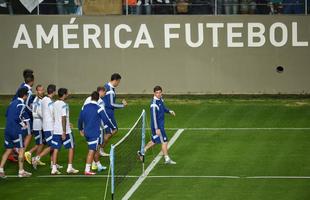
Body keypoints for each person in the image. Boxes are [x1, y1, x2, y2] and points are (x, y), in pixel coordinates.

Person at [79, 91, 117, 175]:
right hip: (94, 133)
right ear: (98, 98)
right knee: (92, 150)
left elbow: (80, 119)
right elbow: (106, 119)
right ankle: (87, 169)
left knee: (97, 148)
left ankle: (99, 165)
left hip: (87, 132)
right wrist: (113, 127)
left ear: (91, 97)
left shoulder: (84, 107)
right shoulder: (99, 108)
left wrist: (80, 129)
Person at [138, 86, 176, 164]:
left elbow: (163, 108)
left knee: (154, 141)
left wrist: (169, 111)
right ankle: (167, 159)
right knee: (165, 141)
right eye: (157, 93)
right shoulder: (154, 104)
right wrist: (157, 128)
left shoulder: (160, 99)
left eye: (159, 92)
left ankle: (142, 152)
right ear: (154, 93)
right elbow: (154, 117)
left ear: (161, 92)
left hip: (158, 126)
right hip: (158, 127)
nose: (158, 94)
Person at [0, 88, 32, 178]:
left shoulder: (12, 103)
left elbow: (6, 114)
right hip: (16, 131)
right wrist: (24, 125)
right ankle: (21, 171)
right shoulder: (21, 105)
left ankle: (1, 169)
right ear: (25, 96)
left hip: (8, 130)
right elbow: (17, 117)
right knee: (21, 149)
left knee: (8, 150)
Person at [51, 88, 78, 175]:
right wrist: (64, 131)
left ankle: (54, 168)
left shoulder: (54, 103)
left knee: (56, 149)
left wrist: (67, 122)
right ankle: (69, 167)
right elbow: (63, 117)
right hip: (65, 131)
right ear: (64, 94)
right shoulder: (64, 105)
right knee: (71, 147)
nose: (68, 95)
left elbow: (55, 116)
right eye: (67, 93)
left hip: (56, 130)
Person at [32, 84, 60, 169]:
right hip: (50, 126)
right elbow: (53, 113)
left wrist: (45, 118)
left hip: (45, 126)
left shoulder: (43, 99)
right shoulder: (49, 101)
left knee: (51, 145)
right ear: (54, 91)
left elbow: (40, 111)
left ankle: (53, 163)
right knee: (53, 145)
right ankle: (37, 158)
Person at [82, 87, 110, 171]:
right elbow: (85, 113)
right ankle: (93, 165)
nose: (105, 94)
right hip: (94, 127)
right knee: (95, 146)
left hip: (95, 126)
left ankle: (96, 164)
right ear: (100, 92)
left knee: (96, 146)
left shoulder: (100, 101)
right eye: (104, 92)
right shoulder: (95, 102)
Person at [102, 73, 127, 155]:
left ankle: (100, 148)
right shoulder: (110, 90)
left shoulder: (106, 85)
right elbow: (111, 104)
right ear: (115, 80)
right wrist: (123, 105)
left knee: (112, 130)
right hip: (108, 112)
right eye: (119, 82)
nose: (118, 84)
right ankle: (100, 148)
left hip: (107, 112)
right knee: (113, 130)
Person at [24, 85, 46, 166]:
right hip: (38, 124)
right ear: (37, 92)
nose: (42, 91)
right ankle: (29, 152)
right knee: (40, 143)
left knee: (43, 142)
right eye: (40, 90)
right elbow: (36, 113)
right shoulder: (37, 101)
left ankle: (37, 158)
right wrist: (47, 118)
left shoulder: (41, 99)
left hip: (41, 124)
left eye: (43, 89)